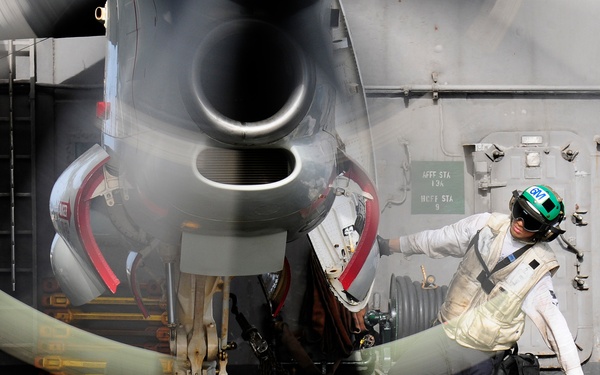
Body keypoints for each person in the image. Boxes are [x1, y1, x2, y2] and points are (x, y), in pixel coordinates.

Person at [377, 185, 583, 375]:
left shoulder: (538, 268)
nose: (520, 222)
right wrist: (389, 245)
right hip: (442, 333)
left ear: (546, 231)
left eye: (530, 221)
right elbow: (436, 240)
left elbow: (556, 327)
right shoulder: (485, 225)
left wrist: (574, 371)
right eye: (519, 212)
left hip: (480, 356)